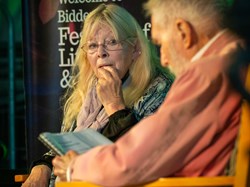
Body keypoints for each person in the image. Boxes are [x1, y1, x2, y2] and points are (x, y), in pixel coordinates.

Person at [52, 0, 248, 186]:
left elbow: (133, 159)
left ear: (183, 32)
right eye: (93, 46)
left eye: (161, 43)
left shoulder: (206, 74)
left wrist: (75, 167)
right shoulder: (233, 60)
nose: (163, 59)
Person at [22, 3, 173, 187]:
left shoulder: (161, 89)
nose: (101, 53)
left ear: (135, 49)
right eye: (93, 45)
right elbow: (66, 148)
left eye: (112, 42)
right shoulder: (87, 91)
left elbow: (142, 159)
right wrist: (43, 166)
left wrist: (115, 105)